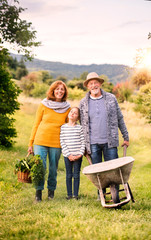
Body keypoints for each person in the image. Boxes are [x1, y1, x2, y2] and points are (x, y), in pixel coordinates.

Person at [79, 72, 129, 203]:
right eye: (91, 83)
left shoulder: (111, 98)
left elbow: (119, 118)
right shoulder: (83, 103)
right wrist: (83, 145)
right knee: (98, 172)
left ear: (100, 84)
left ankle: (115, 194)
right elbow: (82, 125)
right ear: (88, 86)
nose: (93, 85)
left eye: (95, 82)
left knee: (114, 170)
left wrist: (126, 136)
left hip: (110, 141)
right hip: (93, 143)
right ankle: (100, 194)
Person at [28, 80, 71, 202]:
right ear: (52, 91)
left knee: (53, 169)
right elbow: (36, 124)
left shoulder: (67, 108)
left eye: (62, 89)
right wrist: (30, 143)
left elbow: (69, 126)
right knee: (40, 167)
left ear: (65, 92)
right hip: (40, 140)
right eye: (57, 89)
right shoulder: (43, 104)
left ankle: (51, 192)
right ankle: (38, 194)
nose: (59, 91)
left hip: (57, 142)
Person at [60, 107, 85, 200]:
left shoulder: (79, 128)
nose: (72, 114)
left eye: (75, 113)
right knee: (69, 174)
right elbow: (62, 141)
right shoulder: (63, 127)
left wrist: (80, 154)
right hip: (68, 156)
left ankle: (75, 195)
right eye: (71, 112)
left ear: (78, 118)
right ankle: (69, 194)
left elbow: (83, 142)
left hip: (78, 155)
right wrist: (68, 154)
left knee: (76, 175)